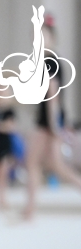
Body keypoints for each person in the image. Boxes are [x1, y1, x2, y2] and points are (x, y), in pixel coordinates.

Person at [20, 10, 81, 219]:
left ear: (52, 37)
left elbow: (53, 95)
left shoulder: (49, 61)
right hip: (49, 119)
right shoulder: (50, 60)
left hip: (48, 121)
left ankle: (30, 209)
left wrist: (55, 126)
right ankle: (30, 208)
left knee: (33, 162)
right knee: (54, 166)